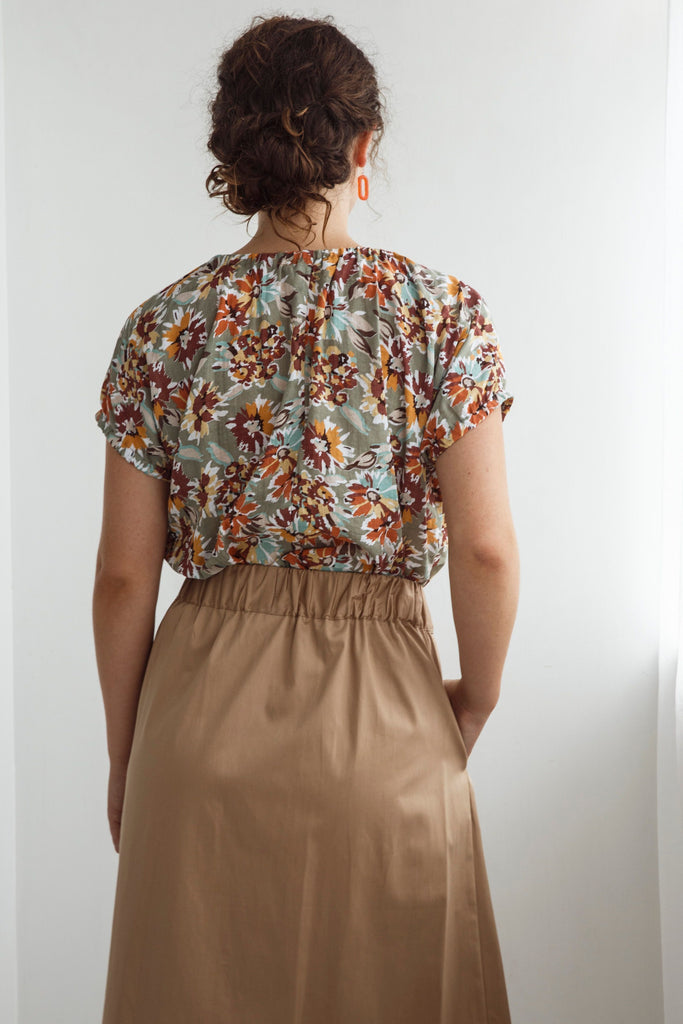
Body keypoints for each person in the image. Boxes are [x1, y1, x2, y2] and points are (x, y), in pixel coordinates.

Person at [92, 12, 520, 1024]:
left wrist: (126, 750)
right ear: (363, 146)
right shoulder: (439, 315)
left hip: (198, 718)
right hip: (386, 720)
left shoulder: (163, 326)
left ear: (234, 152)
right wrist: (473, 700)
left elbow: (122, 576)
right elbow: (486, 550)